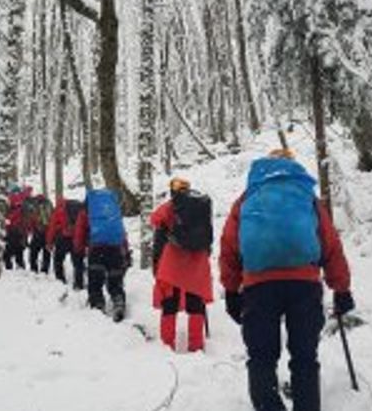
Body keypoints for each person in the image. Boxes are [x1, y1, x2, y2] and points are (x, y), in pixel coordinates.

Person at [219, 149, 354, 411]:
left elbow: (229, 248)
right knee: (305, 357)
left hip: (259, 288)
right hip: (304, 285)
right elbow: (330, 245)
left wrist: (232, 290)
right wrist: (341, 288)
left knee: (261, 358)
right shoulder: (307, 198)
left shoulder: (247, 199)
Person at [150, 177, 214, 352]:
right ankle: (196, 345)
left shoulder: (172, 206)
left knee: (170, 302)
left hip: (174, 261)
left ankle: (167, 344)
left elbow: (155, 219)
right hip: (198, 261)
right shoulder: (201, 206)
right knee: (195, 303)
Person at [73, 189, 130, 322]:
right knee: (115, 281)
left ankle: (98, 306)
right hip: (115, 249)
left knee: (95, 282)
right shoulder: (113, 211)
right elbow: (121, 232)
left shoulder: (86, 212)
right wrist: (125, 251)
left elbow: (79, 232)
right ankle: (118, 302)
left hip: (96, 250)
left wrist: (78, 250)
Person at [46, 197, 86, 288]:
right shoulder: (79, 208)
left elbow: (52, 227)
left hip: (62, 239)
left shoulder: (59, 209)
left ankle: (60, 280)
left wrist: (49, 242)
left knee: (58, 260)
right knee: (78, 262)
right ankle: (79, 284)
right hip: (77, 237)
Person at [4, 185, 31, 270]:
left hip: (11, 231)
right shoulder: (24, 202)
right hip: (22, 232)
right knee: (19, 254)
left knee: (7, 255)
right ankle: (21, 271)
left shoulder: (10, 200)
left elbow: (8, 218)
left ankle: (9, 271)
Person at [24, 194, 53, 273]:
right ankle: (45, 269)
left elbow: (31, 219)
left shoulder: (35, 205)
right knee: (46, 252)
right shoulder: (48, 204)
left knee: (33, 252)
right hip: (47, 232)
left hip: (37, 232)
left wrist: (30, 230)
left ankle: (34, 269)